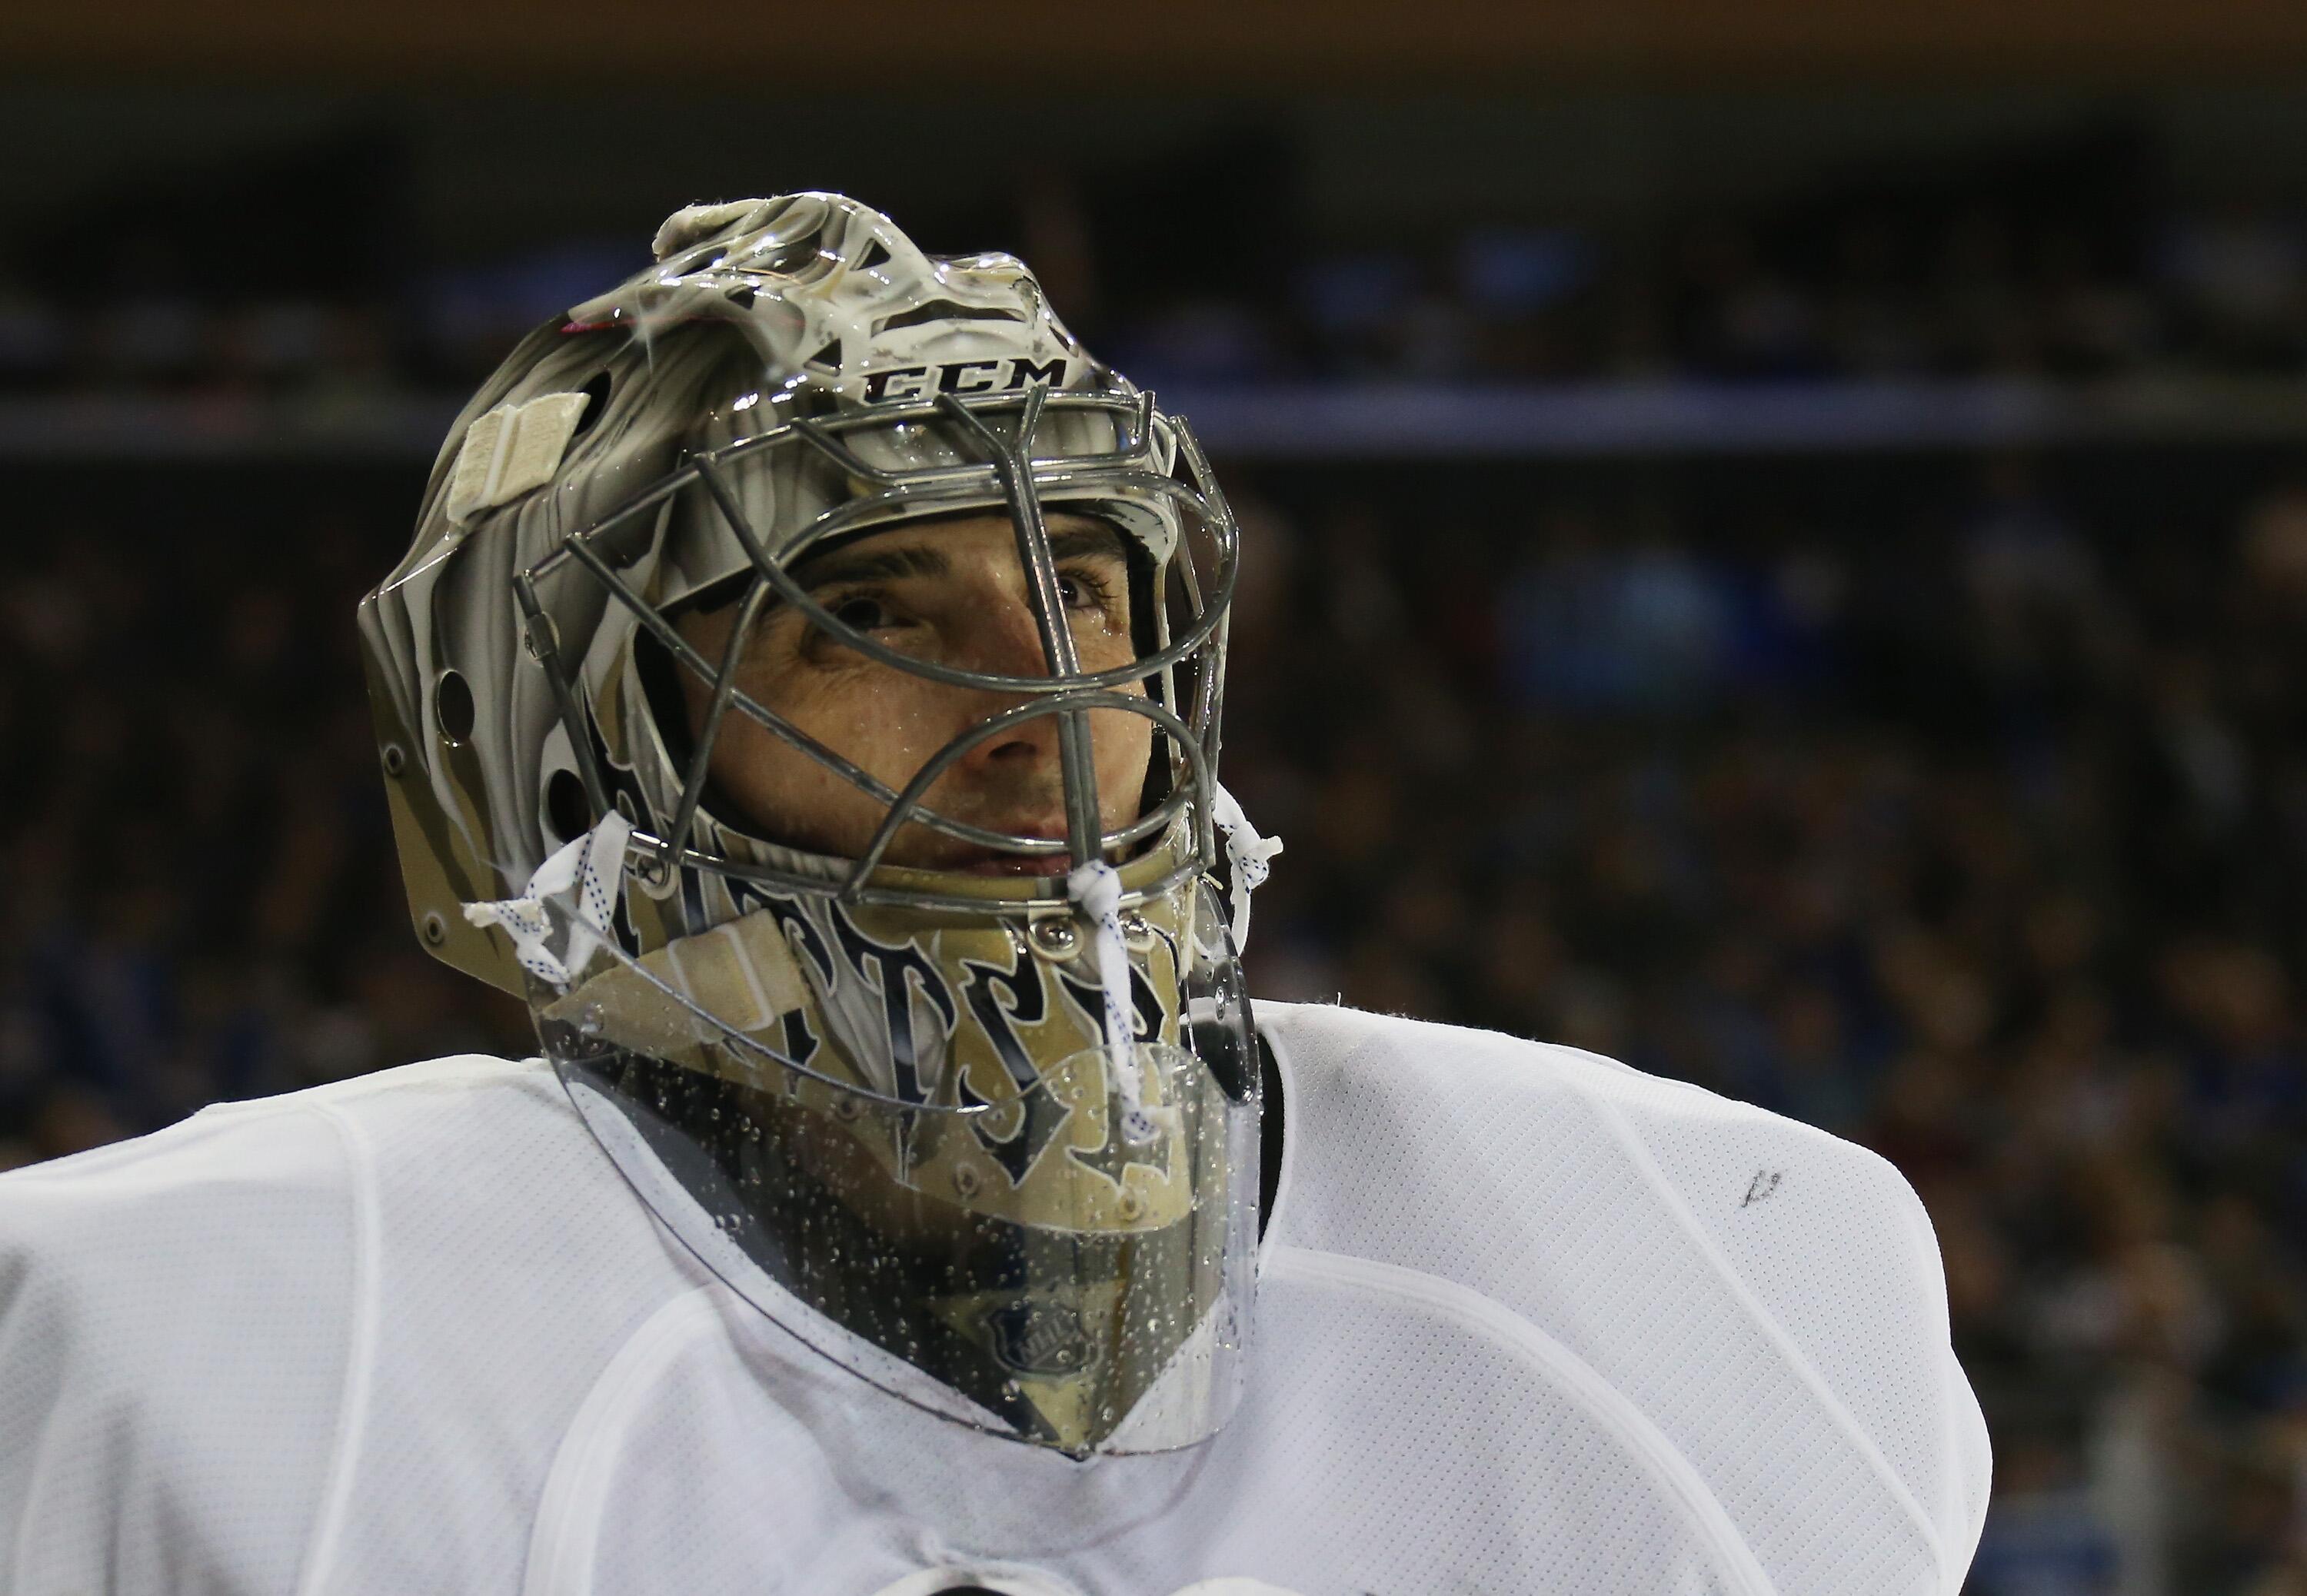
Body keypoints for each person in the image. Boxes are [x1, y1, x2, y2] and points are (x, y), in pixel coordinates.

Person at [0, 194, 1989, 1595]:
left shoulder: (1714, 1275)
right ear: (567, 751)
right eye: (866, 615)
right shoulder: (172, 1340)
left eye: (1090, 595)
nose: (1042, 701)